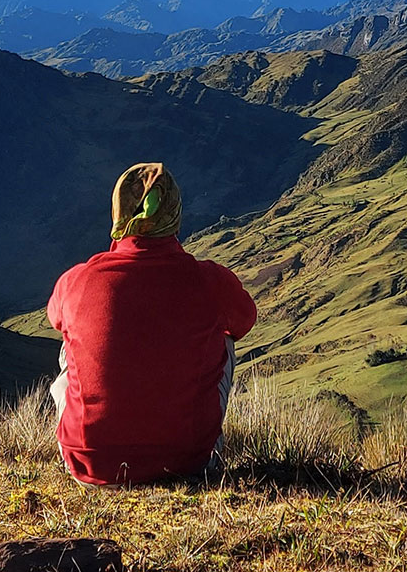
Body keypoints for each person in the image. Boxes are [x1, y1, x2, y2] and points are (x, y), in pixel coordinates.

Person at [46, 162, 256, 486]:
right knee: (224, 337)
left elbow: (54, 318)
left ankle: (91, 436)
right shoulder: (210, 281)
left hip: (90, 466)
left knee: (69, 340)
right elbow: (244, 322)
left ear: (118, 212)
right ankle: (195, 440)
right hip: (187, 463)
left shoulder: (77, 280)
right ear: (174, 212)